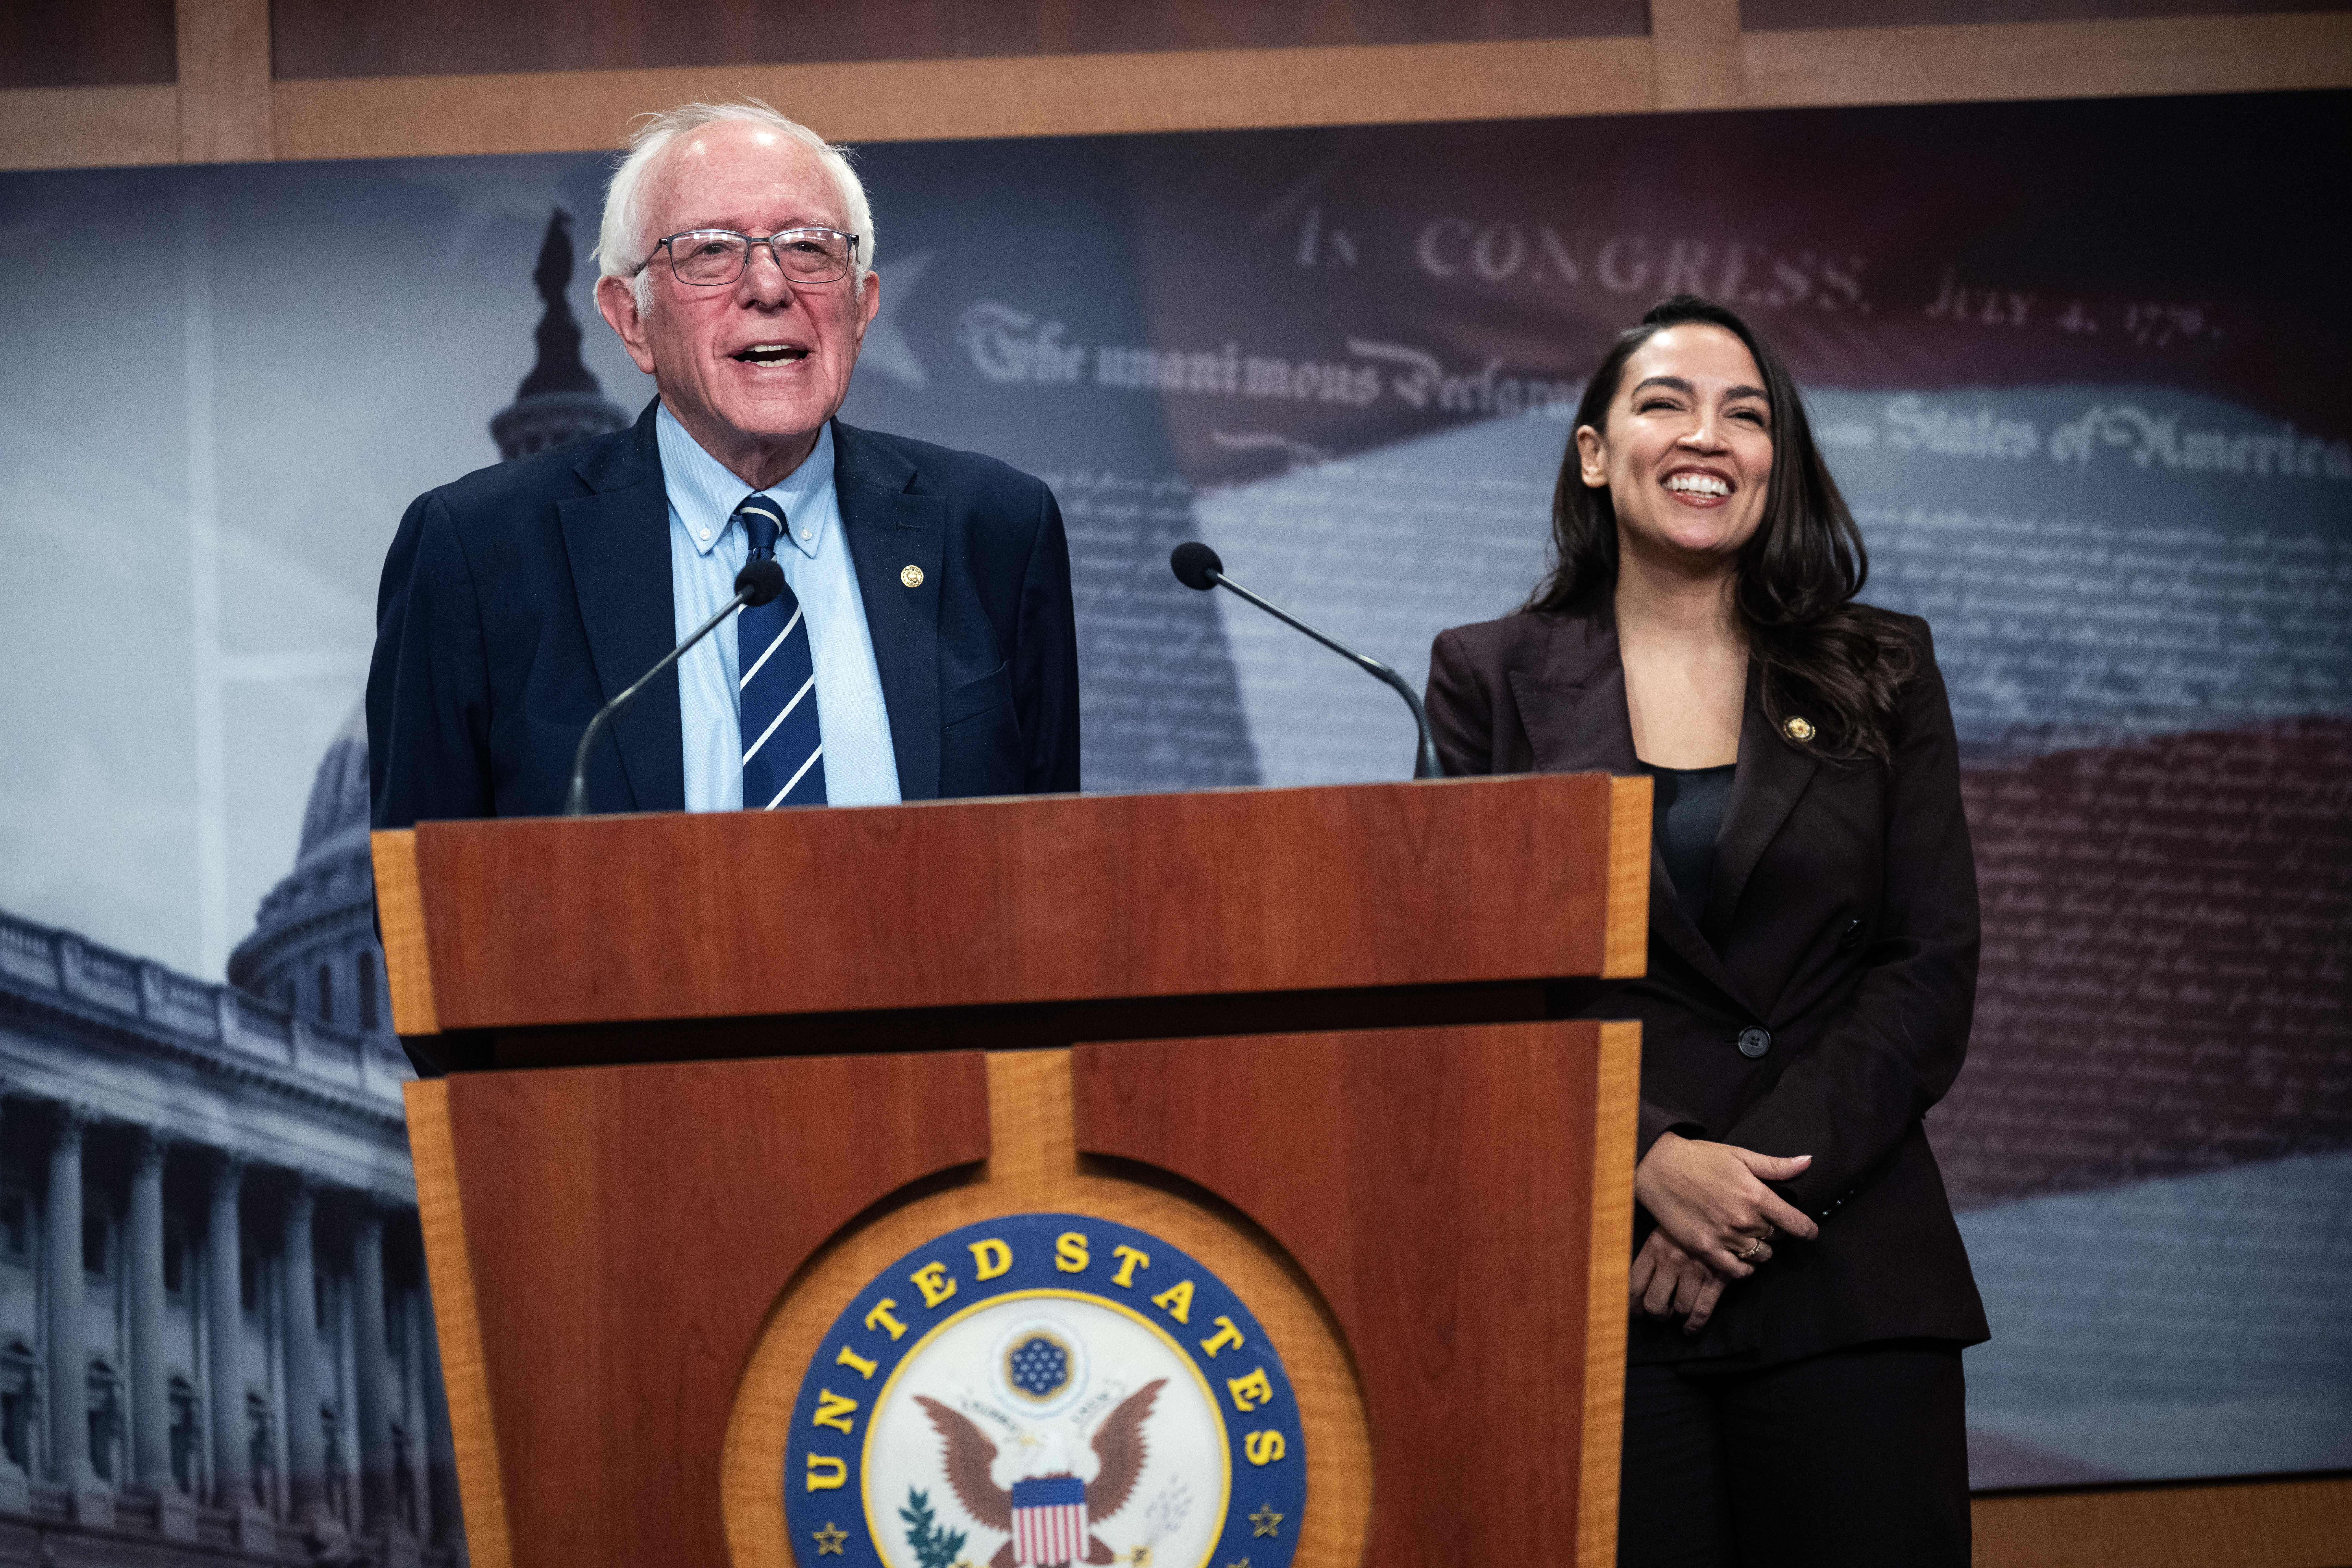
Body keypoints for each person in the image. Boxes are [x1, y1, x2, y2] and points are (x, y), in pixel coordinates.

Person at [1424, 295, 1987, 1566]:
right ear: (1592, 451)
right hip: (1598, 1290)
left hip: (1847, 1272)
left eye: (1747, 413)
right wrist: (1649, 1160)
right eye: (1666, 402)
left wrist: (1736, 1192)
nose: (1709, 435)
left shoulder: (1883, 667)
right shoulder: (1483, 677)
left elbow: (1926, 971)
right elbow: (1472, 985)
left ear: (1776, 460)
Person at [368, 99, 1079, 830]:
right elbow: (425, 907)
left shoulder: (994, 530)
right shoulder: (478, 553)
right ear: (629, 318)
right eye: (711, 250)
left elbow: (1051, 870)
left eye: (809, 247)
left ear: (862, 308)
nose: (770, 287)